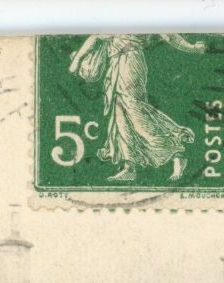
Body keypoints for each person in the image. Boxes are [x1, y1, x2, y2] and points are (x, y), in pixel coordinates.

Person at [68, 34, 206, 183]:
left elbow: (168, 35)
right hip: (116, 63)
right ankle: (129, 167)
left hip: (130, 62)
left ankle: (176, 152)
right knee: (121, 113)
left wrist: (193, 48)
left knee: (134, 112)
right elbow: (97, 36)